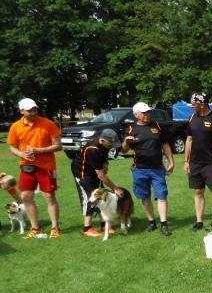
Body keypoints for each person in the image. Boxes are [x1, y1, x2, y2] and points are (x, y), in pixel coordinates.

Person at [6, 97, 62, 238]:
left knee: (49, 196)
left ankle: (55, 227)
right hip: (26, 166)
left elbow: (58, 146)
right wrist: (21, 154)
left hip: (47, 166)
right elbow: (12, 147)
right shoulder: (15, 126)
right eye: (30, 110)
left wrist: (38, 151)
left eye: (35, 109)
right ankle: (35, 228)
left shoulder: (47, 123)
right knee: (25, 196)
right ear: (22, 111)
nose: (33, 112)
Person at [120, 102, 174, 236]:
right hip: (139, 170)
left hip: (157, 169)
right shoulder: (131, 129)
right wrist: (126, 141)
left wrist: (171, 161)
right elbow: (124, 150)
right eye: (144, 113)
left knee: (162, 195)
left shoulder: (157, 126)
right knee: (145, 197)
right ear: (136, 114)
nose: (147, 115)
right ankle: (151, 222)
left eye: (148, 112)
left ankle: (164, 224)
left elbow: (165, 145)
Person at [184, 91, 212, 232]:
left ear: (202, 104)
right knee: (198, 191)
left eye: (194, 104)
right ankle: (199, 222)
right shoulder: (191, 118)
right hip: (195, 163)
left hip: (211, 163)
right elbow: (189, 140)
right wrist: (186, 161)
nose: (192, 106)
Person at [71, 129, 126, 237]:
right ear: (102, 140)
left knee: (101, 195)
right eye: (110, 144)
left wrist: (105, 165)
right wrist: (115, 188)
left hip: (93, 170)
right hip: (82, 173)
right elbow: (100, 175)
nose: (111, 146)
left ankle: (104, 225)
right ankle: (87, 228)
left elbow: (104, 158)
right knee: (90, 198)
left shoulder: (105, 145)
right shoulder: (93, 149)